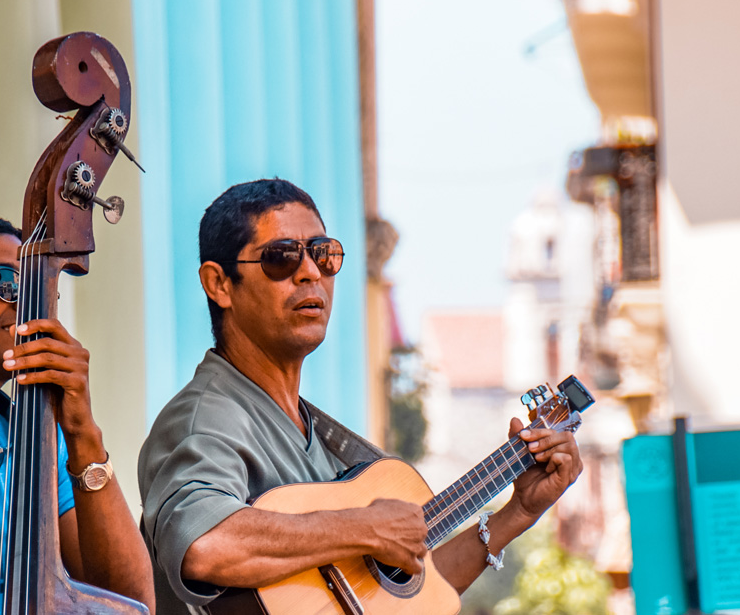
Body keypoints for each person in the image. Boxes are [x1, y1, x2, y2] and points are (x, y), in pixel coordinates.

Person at [138, 179, 584, 614]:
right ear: (219, 284)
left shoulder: (314, 435)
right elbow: (203, 546)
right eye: (280, 257)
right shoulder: (205, 418)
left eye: (323, 254)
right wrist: (363, 527)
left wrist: (515, 515)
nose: (310, 272)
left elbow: (398, 601)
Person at [0, 214, 155, 614]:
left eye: (38, 289)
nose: (30, 304)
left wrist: (81, 431)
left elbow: (131, 605)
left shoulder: (41, 445)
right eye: (7, 282)